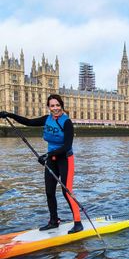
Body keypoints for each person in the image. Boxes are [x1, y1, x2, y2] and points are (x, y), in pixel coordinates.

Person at [0, 94, 83, 234]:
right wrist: (9, 115)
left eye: (57, 105)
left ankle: (78, 222)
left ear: (61, 105)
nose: (55, 108)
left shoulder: (66, 122)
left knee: (66, 192)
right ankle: (54, 221)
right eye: (52, 106)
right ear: (48, 107)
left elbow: (67, 146)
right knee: (49, 192)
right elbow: (28, 122)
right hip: (51, 159)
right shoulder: (47, 119)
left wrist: (48, 155)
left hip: (65, 159)